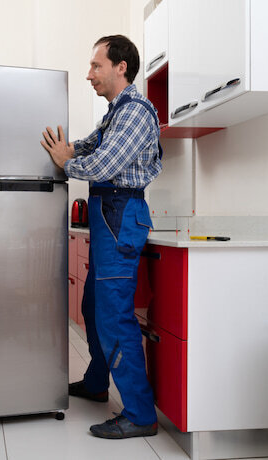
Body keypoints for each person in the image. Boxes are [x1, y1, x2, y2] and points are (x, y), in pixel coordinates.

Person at [40, 34, 163, 439]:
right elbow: (88, 146)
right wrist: (63, 148)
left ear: (120, 67)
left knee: (114, 317)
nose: (89, 73)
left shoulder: (136, 112)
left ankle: (141, 414)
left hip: (120, 215)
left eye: (96, 65)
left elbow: (103, 163)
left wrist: (64, 162)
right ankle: (96, 383)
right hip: (109, 216)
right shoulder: (115, 114)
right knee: (94, 306)